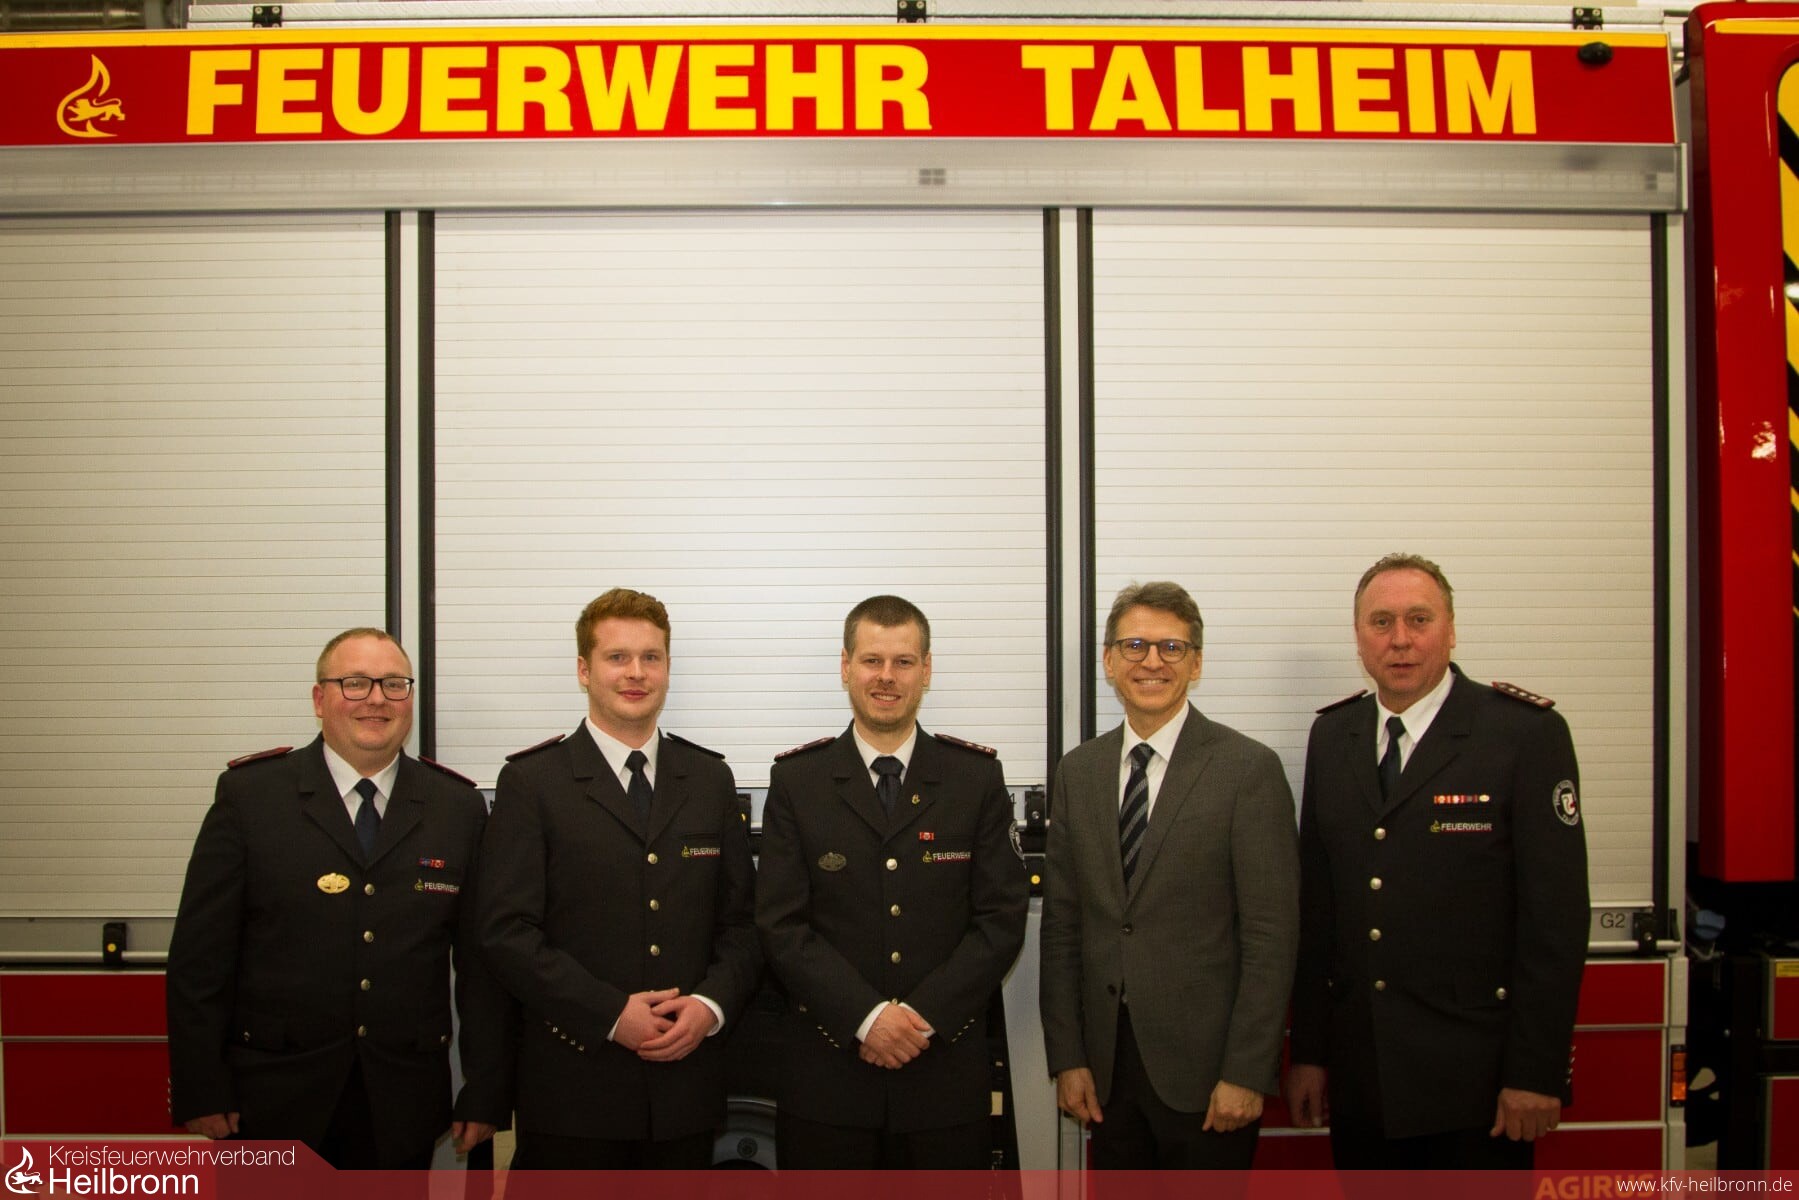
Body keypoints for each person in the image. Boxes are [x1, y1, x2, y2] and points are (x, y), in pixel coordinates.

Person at [1285, 553, 1589, 1168]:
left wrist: (1536, 1073)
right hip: (1364, 1083)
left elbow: (1554, 921)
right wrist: (1309, 1053)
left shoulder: (1523, 735)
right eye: (1381, 622)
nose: (1399, 639)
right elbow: (1320, 911)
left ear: (1451, 630)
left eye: (1418, 619)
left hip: (1477, 1087)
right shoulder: (1334, 736)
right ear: (1359, 638)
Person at [166, 628, 507, 1168]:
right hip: (272, 1097)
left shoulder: (456, 808)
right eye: (355, 683)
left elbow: (481, 967)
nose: (376, 699)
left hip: (401, 1101)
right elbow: (200, 958)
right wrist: (201, 1085)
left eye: (393, 684)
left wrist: (485, 1088)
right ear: (319, 699)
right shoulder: (251, 798)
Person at [477, 588, 759, 1169]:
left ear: (667, 668)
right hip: (573, 1093)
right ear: (584, 670)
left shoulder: (709, 779)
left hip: (684, 1090)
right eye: (617, 657)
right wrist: (608, 1013)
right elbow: (507, 932)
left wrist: (711, 1005)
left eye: (651, 657)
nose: (636, 673)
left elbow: (743, 924)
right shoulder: (533, 782)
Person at [756, 595, 1028, 1168]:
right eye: (872, 660)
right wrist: (868, 1018)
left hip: (942, 1079)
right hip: (829, 1082)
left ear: (926, 670)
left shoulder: (974, 779)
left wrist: (919, 1020)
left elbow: (1001, 921)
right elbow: (781, 926)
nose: (886, 676)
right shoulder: (797, 782)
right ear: (845, 667)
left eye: (903, 661)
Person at [1039, 581, 1300, 1169]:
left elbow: (1271, 937)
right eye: (1134, 645)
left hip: (1210, 1078)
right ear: (1109, 661)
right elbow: (1062, 928)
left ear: (1196, 663)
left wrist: (1246, 1071)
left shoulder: (1248, 770)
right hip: (1108, 1074)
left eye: (1171, 648)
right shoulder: (1078, 772)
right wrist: (1068, 1057)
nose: (1151, 661)